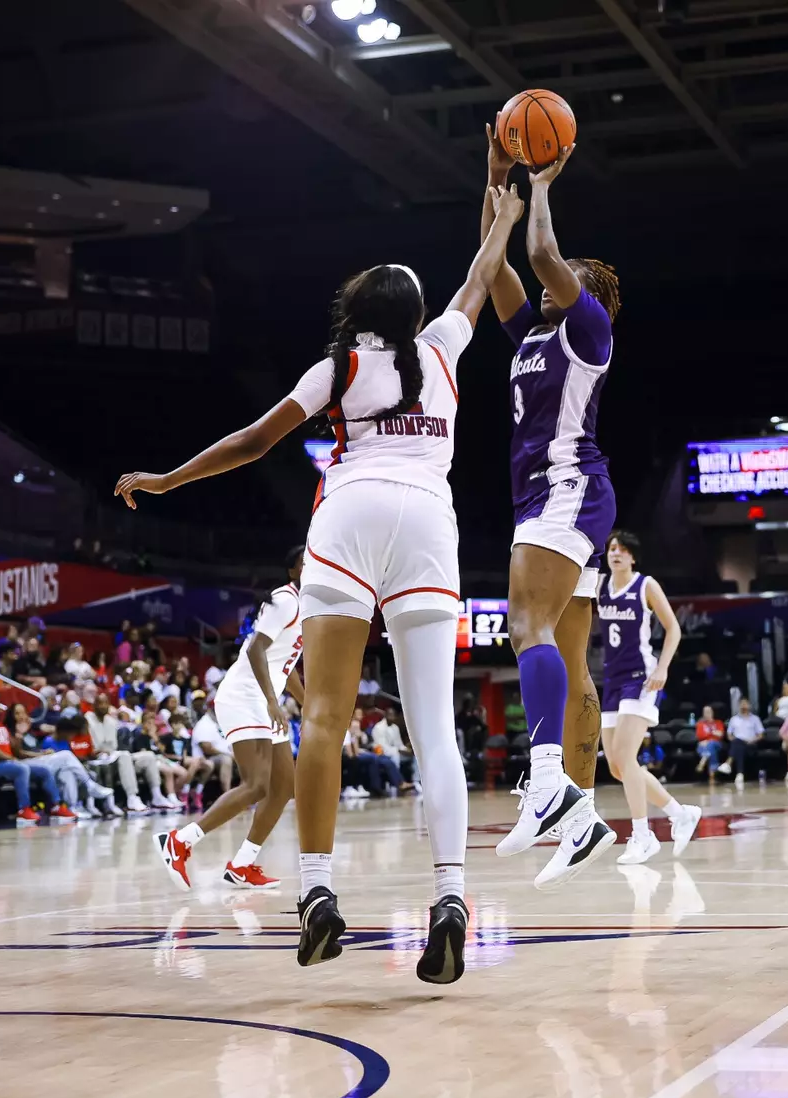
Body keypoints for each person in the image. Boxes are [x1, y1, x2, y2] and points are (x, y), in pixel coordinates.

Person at [115, 186, 523, 984]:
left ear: (360, 308)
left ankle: (317, 894)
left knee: (327, 720)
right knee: (434, 728)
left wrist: (168, 480)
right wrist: (500, 201)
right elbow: (483, 269)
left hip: (350, 517)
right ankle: (448, 900)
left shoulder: (338, 365)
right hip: (427, 524)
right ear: (413, 312)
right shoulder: (441, 345)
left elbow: (252, 441)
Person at [482, 132, 622, 889]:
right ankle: (581, 818)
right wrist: (496, 174)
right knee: (554, 648)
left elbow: (538, 255)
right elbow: (496, 262)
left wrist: (542, 185)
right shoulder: (531, 331)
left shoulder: (588, 328)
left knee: (525, 626)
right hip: (543, 496)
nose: (552, 277)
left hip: (569, 488)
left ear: (586, 290)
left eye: (568, 275)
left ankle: (547, 782)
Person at [158, 549, 307, 890]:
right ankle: (179, 841)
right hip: (245, 696)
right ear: (292, 569)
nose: (311, 567)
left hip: (264, 698)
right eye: (304, 562)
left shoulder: (307, 607)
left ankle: (242, 865)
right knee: (256, 785)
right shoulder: (286, 600)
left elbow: (285, 663)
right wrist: (273, 701)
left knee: (284, 786)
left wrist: (307, 704)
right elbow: (255, 650)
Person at [594, 531, 702, 865]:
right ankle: (679, 813)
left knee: (626, 758)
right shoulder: (597, 586)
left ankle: (643, 835)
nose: (616, 554)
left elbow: (674, 628)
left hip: (640, 678)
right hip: (610, 680)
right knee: (616, 766)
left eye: (623, 550)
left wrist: (663, 668)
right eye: (612, 548)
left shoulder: (645, 585)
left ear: (633, 557)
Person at [0, 694, 48, 827]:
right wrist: (11, 758)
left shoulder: (0, 725)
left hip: (9, 763)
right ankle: (24, 809)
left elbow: (16, 750)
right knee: (21, 768)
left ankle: (56, 806)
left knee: (44, 771)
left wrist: (19, 734)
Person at [723, 698, 765, 785]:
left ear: (749, 706)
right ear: (738, 706)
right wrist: (735, 740)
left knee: (737, 744)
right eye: (741, 704)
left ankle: (728, 763)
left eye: (745, 704)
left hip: (751, 744)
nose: (743, 706)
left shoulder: (755, 719)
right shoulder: (733, 719)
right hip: (738, 743)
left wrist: (752, 740)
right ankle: (739, 774)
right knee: (737, 743)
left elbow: (761, 735)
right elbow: (729, 735)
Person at [694, 705, 726, 775]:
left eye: (708, 712)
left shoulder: (718, 722)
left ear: (712, 713)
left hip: (717, 744)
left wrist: (707, 738)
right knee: (710, 748)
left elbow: (720, 735)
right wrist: (713, 733)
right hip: (702, 745)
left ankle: (703, 760)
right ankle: (712, 775)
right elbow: (699, 736)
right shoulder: (700, 724)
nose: (707, 714)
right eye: (705, 712)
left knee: (711, 744)